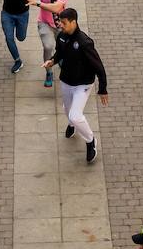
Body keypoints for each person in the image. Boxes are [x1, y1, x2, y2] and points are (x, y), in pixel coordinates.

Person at [43, 8, 108, 164]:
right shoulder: (61, 38)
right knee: (67, 109)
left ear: (74, 22)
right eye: (60, 22)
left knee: (75, 114)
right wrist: (52, 61)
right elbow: (59, 54)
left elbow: (99, 67)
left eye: (64, 23)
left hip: (83, 84)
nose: (61, 26)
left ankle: (90, 140)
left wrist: (102, 89)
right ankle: (72, 125)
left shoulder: (85, 43)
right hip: (66, 80)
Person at [26, 0, 69, 87]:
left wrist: (38, 3)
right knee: (48, 46)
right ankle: (49, 72)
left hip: (61, 25)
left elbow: (56, 8)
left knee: (62, 47)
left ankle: (60, 58)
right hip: (44, 23)